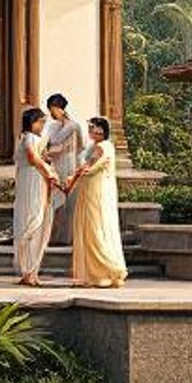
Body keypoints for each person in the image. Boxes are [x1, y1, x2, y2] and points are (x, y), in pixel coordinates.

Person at [66, 115, 129, 288]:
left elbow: (92, 168)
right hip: (89, 189)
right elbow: (86, 167)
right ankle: (93, 273)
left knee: (95, 228)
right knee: (90, 227)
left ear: (101, 130)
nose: (91, 131)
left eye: (93, 128)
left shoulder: (103, 147)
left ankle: (105, 270)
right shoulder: (95, 147)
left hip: (96, 191)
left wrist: (75, 177)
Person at [11, 105, 57, 286]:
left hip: (35, 179)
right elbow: (32, 158)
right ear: (32, 122)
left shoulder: (33, 138)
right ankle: (29, 272)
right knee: (33, 220)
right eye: (40, 122)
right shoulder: (29, 137)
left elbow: (40, 157)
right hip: (32, 180)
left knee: (37, 220)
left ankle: (31, 271)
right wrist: (49, 173)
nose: (42, 126)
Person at [43, 93, 83, 244]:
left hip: (69, 164)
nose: (51, 113)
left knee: (68, 199)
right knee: (55, 199)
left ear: (59, 108)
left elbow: (76, 147)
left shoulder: (73, 126)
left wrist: (48, 153)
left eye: (52, 109)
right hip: (55, 164)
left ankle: (66, 237)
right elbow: (50, 143)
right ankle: (54, 235)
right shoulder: (53, 126)